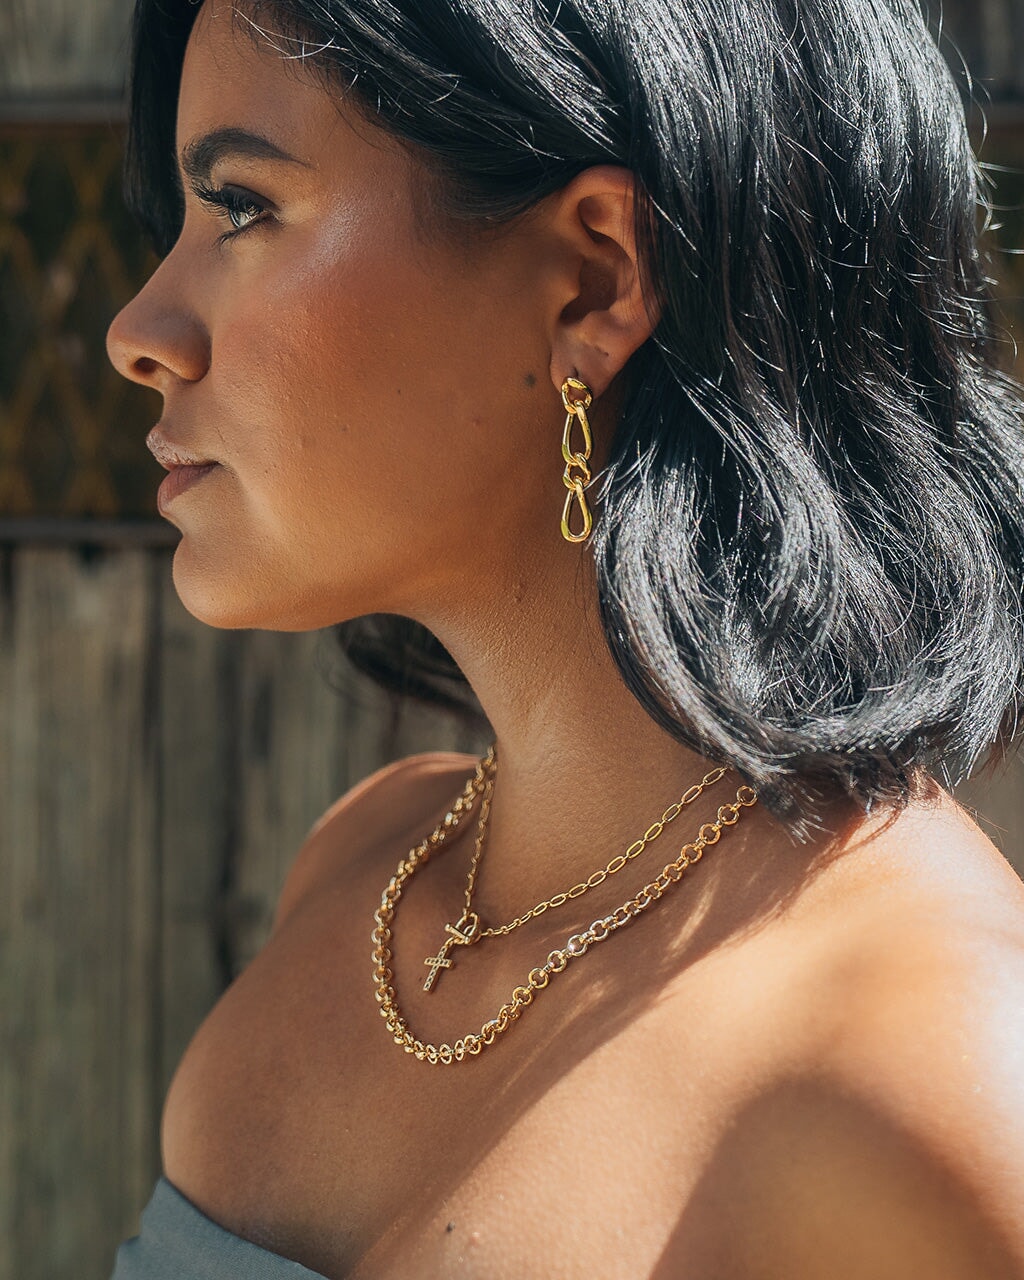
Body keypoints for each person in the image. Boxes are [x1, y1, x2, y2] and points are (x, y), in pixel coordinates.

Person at [105, 0, 1024, 1275]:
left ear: (594, 278)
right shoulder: (364, 867)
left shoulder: (937, 1075)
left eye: (244, 207)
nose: (138, 332)